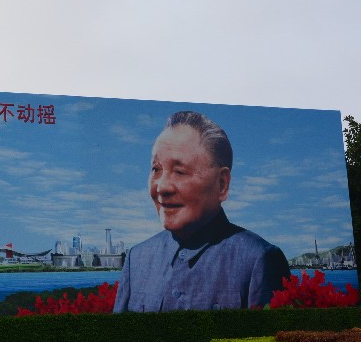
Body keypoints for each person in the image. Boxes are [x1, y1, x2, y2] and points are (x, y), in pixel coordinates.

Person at [113, 111, 290, 312]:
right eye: (156, 169)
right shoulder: (137, 259)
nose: (162, 187)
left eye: (180, 171)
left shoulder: (259, 259)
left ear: (222, 184)